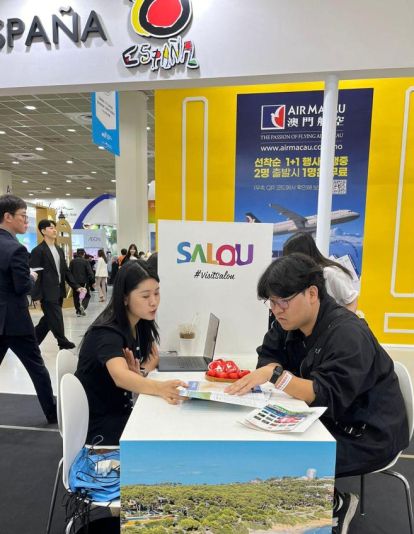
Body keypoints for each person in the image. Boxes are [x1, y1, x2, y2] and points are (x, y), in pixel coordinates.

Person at [226, 253, 409, 534]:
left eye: (283, 301)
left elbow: (325, 395)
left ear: (312, 294)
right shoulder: (287, 323)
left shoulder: (347, 333)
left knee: (281, 459)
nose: (276, 310)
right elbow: (268, 357)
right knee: (263, 443)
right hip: (325, 417)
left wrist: (277, 376)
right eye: (271, 302)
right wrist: (274, 372)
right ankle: (317, 501)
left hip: (366, 433)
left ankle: (335, 505)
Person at [75, 260, 187, 444]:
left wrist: (142, 371)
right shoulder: (107, 333)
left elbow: (133, 370)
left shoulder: (140, 322)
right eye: (145, 296)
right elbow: (120, 376)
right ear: (125, 298)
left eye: (157, 293)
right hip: (101, 427)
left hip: (122, 410)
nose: (154, 302)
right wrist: (159, 388)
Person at [0, 195, 57, 423]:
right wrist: (32, 277)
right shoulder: (16, 249)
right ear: (7, 216)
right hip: (15, 321)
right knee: (37, 368)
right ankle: (52, 414)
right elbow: (22, 287)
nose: (26, 221)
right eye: (23, 216)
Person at [30, 219, 81, 350]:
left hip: (59, 290)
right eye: (51, 228)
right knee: (56, 316)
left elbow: (65, 271)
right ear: (43, 231)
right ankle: (62, 342)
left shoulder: (59, 250)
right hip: (47, 292)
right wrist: (36, 296)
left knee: (49, 319)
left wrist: (76, 286)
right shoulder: (38, 251)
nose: (54, 230)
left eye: (54, 227)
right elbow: (35, 274)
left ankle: (32, 342)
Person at [283, 231, 358, 312]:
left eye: (290, 257)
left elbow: (351, 300)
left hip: (337, 318)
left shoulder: (330, 272)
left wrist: (345, 320)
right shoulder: (302, 276)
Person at [69, 248, 95, 316]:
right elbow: (90, 273)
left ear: (77, 253)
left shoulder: (72, 262)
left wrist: (71, 282)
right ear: (83, 254)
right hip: (84, 282)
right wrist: (93, 281)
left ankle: (78, 310)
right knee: (86, 295)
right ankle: (82, 306)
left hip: (75, 283)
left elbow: (69, 273)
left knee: (76, 296)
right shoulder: (85, 261)